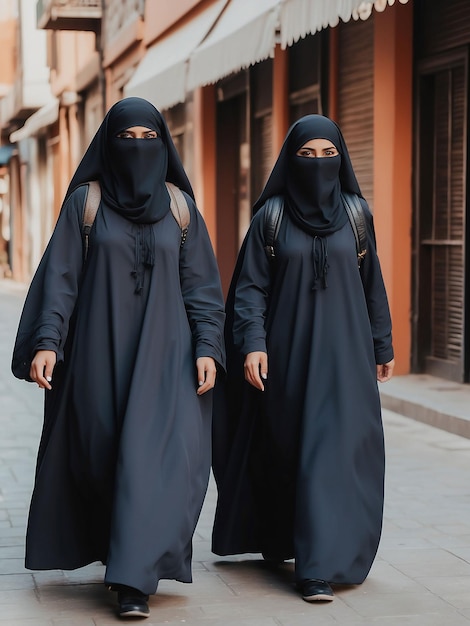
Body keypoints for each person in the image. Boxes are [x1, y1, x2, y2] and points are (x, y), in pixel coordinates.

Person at [12, 97, 225, 619]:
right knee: (104, 455)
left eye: (147, 139)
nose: (137, 149)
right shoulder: (87, 201)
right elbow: (61, 278)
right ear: (109, 143)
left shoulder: (180, 207)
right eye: (126, 139)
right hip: (97, 355)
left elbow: (201, 285)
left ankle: (135, 580)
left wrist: (208, 347)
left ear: (164, 144)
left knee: (159, 463)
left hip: (168, 357)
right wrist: (47, 340)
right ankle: (120, 554)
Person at [211, 114, 394, 603]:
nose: (317, 165)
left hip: (348, 357)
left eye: (327, 155)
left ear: (342, 159)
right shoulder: (271, 218)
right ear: (290, 159)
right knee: (298, 454)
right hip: (287, 360)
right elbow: (249, 289)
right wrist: (251, 343)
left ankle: (318, 566)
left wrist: (383, 344)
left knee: (342, 454)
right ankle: (299, 549)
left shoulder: (356, 215)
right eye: (306, 155)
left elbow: (371, 283)